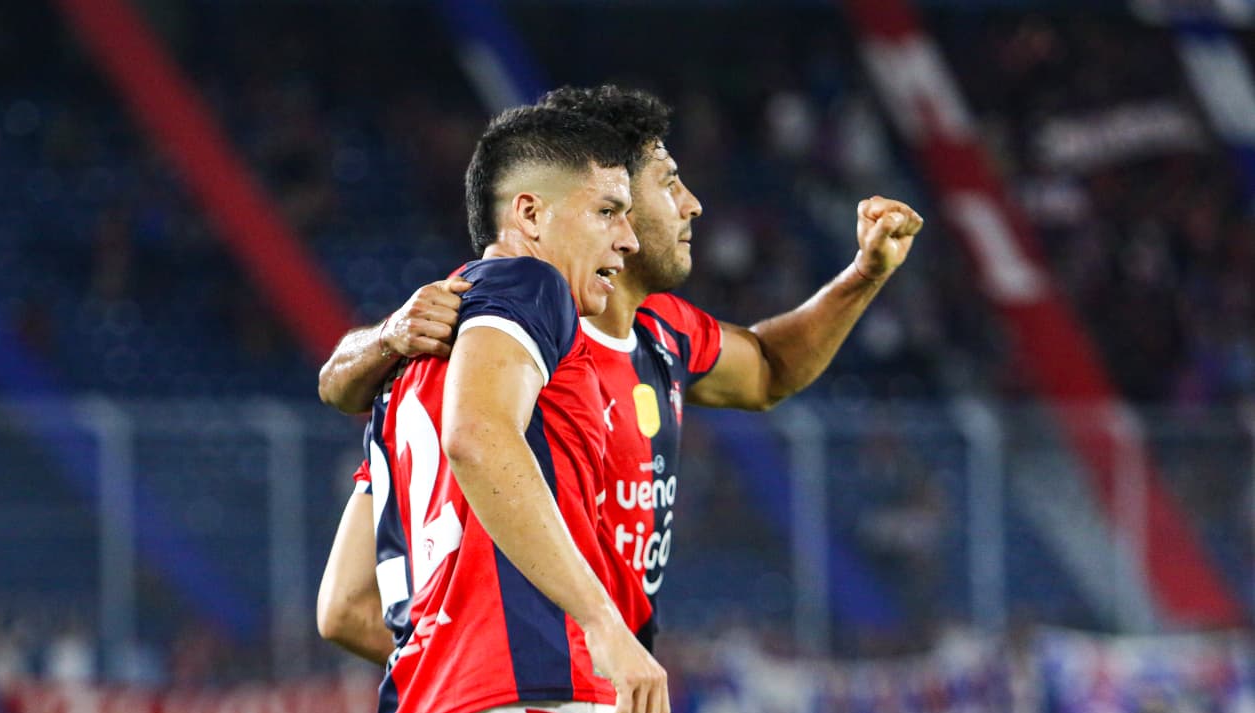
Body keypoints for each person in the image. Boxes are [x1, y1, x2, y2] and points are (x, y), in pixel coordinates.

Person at [318, 85, 923, 659]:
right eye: (669, 183)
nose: (692, 204)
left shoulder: (663, 330)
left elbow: (767, 369)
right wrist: (515, 671)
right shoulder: (502, 328)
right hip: (546, 695)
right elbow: (349, 598)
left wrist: (863, 275)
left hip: (582, 689)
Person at [359, 103, 694, 713]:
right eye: (607, 212)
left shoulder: (403, 369)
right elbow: (477, 437)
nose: (627, 237)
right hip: (535, 701)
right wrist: (604, 625)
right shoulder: (528, 286)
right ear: (530, 215)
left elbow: (341, 607)